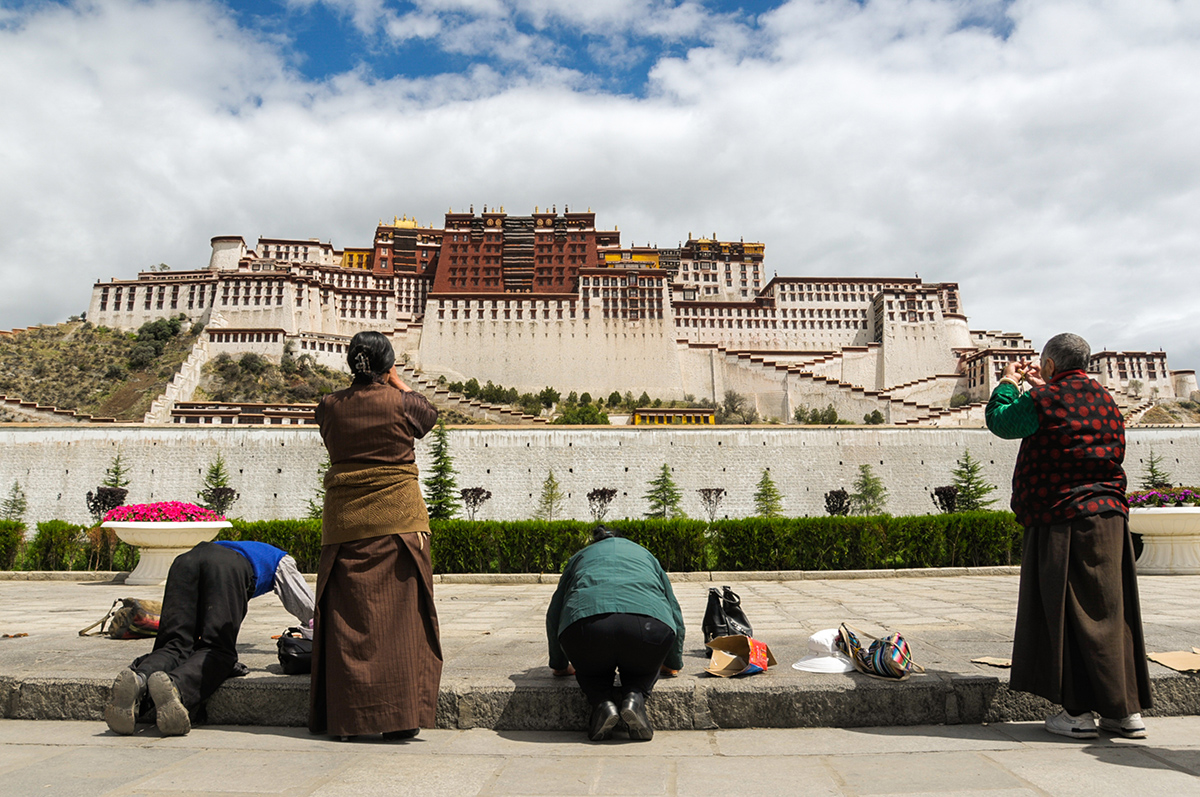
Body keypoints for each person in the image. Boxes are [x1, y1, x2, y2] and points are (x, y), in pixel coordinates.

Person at [986, 332, 1152, 740]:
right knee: (1112, 614)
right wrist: (1040, 388)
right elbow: (1066, 416)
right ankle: (1123, 712)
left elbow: (1002, 421)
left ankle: (1077, 714)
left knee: (1068, 613)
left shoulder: (1044, 400)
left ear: (1047, 365)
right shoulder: (1106, 400)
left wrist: (1008, 382)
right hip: (1110, 519)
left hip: (1062, 519)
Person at [308, 330, 441, 741]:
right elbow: (429, 415)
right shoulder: (403, 402)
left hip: (345, 525)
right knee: (401, 621)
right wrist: (396, 382)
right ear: (387, 366)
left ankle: (347, 720)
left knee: (348, 621)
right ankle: (400, 717)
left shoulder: (328, 406)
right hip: (399, 525)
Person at [104, 540, 315, 736]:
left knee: (174, 644)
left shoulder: (240, 547)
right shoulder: (282, 559)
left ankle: (140, 679)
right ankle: (176, 687)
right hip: (224, 568)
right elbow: (309, 609)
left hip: (185, 562)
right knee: (218, 649)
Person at [546, 526, 686, 742]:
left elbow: (555, 612)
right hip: (649, 628)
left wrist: (559, 664)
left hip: (587, 630)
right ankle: (634, 698)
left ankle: (603, 703)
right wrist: (672, 661)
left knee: (592, 672)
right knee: (641, 666)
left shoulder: (579, 557)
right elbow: (673, 609)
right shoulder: (644, 554)